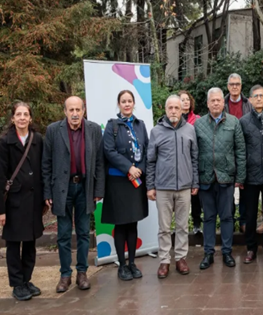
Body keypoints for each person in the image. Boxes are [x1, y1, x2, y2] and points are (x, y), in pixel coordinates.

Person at [42, 96, 105, 293]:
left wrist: (98, 189)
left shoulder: (94, 129)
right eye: (71, 110)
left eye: (78, 110)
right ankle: (65, 275)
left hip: (85, 188)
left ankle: (82, 273)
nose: (75, 114)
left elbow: (100, 162)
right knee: (63, 234)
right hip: (62, 189)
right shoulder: (54, 130)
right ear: (65, 112)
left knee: (84, 233)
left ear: (84, 111)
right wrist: (47, 191)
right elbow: (46, 164)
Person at [147, 95, 199, 279]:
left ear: (182, 109)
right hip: (163, 187)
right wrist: (150, 186)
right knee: (164, 228)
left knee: (183, 226)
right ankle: (164, 260)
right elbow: (151, 160)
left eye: (177, 107)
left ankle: (180, 258)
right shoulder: (156, 132)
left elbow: (195, 158)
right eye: (170, 108)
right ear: (166, 109)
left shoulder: (190, 130)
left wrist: (195, 182)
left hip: (184, 186)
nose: (174, 111)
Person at [194, 87, 246, 270]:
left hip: (226, 178)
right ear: (208, 103)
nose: (216, 103)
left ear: (223, 103)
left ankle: (226, 252)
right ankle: (208, 253)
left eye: (218, 100)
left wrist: (239, 178)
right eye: (212, 100)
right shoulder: (198, 124)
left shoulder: (233, 122)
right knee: (208, 217)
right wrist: (195, 179)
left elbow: (240, 150)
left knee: (227, 217)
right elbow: (194, 153)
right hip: (206, 177)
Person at [102, 91, 149, 281]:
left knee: (133, 223)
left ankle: (132, 263)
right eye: (124, 101)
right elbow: (109, 151)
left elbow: (146, 150)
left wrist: (140, 169)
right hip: (119, 182)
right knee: (121, 225)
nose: (127, 104)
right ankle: (122, 265)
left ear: (134, 103)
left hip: (136, 182)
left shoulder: (140, 125)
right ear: (119, 104)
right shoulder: (112, 126)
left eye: (130, 101)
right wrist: (129, 168)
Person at [1, 102, 44, 301]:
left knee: (30, 243)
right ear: (12, 118)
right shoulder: (4, 142)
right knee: (13, 244)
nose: (22, 118)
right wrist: (1, 210)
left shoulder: (37, 140)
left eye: (25, 114)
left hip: (33, 201)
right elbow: (1, 177)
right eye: (18, 114)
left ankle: (27, 279)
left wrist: (45, 198)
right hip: (13, 203)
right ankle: (16, 283)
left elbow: (43, 170)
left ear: (30, 118)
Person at [239, 85, 263, 264]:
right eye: (256, 96)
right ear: (251, 99)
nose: (259, 99)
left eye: (262, 95)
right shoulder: (244, 121)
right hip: (251, 175)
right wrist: (240, 175)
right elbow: (240, 149)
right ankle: (251, 248)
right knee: (250, 213)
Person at [223, 73, 252, 233]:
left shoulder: (248, 104)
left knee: (243, 188)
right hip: (226, 152)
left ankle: (243, 220)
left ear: (241, 86)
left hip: (243, 151)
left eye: (237, 84)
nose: (235, 86)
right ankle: (229, 220)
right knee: (228, 190)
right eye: (232, 84)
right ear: (228, 86)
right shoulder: (223, 103)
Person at [179, 90, 203, 235]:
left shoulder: (198, 119)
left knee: (195, 196)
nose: (186, 102)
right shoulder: (174, 119)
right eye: (182, 99)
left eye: (188, 99)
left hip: (194, 162)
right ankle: (181, 225)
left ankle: (196, 224)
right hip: (180, 163)